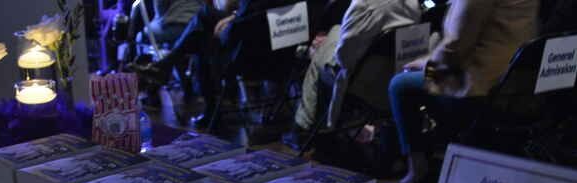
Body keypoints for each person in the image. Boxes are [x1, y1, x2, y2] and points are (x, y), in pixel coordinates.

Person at [388, 0, 539, 183]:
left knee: (400, 83)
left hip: (476, 81)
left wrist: (427, 65)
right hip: (514, 81)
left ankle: (417, 168)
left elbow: (456, 46)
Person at [131, 0, 294, 127]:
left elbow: (245, 22)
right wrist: (234, 17)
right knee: (203, 20)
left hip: (253, 57)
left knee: (202, 36)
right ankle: (166, 66)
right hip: (283, 49)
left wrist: (231, 22)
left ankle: (166, 67)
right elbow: (254, 13)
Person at [284, 0, 422, 149]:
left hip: (364, 84)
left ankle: (303, 128)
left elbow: (344, 58)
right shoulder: (413, 3)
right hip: (398, 76)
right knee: (333, 36)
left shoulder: (364, 5)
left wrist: (323, 46)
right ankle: (343, 126)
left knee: (321, 52)